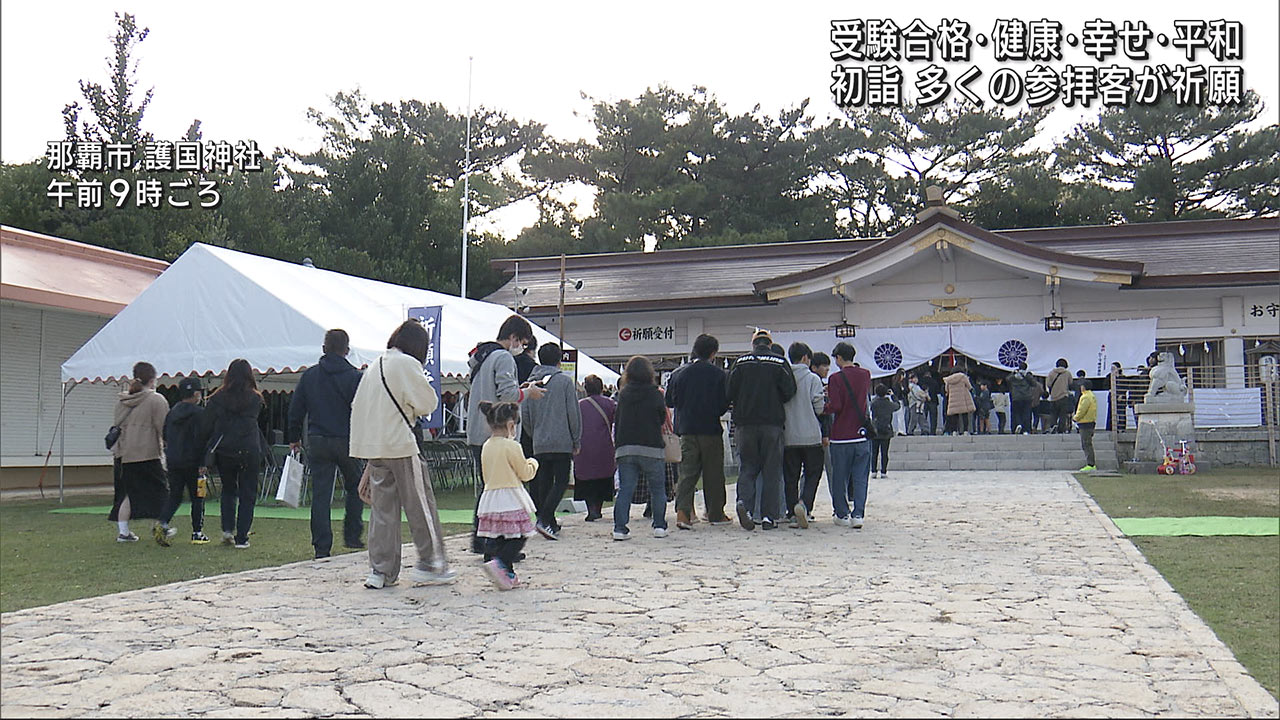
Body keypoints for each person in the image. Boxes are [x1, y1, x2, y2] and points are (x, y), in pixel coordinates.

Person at [351, 320, 456, 589]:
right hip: (400, 444)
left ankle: (380, 570)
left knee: (382, 511)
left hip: (374, 447)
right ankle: (431, 562)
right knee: (420, 504)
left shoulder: (375, 365)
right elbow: (428, 403)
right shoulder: (407, 364)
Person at [466, 316, 546, 553]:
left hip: (478, 431)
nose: (521, 347)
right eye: (521, 341)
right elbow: (508, 393)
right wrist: (527, 392)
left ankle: (482, 541)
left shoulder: (482, 357)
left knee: (488, 490)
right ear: (513, 338)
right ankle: (499, 544)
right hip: (497, 432)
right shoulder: (503, 357)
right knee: (504, 492)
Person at [287, 329, 365, 559]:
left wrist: (294, 437)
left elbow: (296, 409)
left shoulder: (310, 376)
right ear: (347, 351)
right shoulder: (355, 377)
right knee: (355, 487)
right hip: (347, 440)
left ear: (323, 348)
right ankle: (352, 535)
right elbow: (362, 410)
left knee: (321, 494)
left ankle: (322, 546)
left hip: (318, 439)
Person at [727, 329, 797, 531]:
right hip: (772, 424)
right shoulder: (779, 362)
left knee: (747, 468)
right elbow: (789, 391)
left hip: (745, 424)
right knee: (771, 471)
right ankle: (769, 517)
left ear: (753, 344)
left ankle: (745, 506)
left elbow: (729, 391)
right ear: (769, 344)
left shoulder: (740, 363)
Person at [666, 334, 731, 529]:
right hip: (710, 428)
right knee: (713, 474)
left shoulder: (678, 373)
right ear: (713, 353)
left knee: (687, 472)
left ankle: (683, 513)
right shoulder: (719, 375)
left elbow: (669, 401)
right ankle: (715, 513)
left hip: (686, 429)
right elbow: (723, 405)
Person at [201, 359, 268, 548]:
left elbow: (206, 425)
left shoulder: (217, 398)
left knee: (229, 490)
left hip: (225, 449)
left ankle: (227, 530)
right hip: (249, 447)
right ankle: (242, 536)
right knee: (248, 493)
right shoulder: (256, 398)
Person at [522, 342, 582, 540]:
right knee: (562, 480)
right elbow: (573, 412)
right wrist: (576, 438)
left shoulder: (530, 383)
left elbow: (526, 415)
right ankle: (545, 517)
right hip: (561, 439)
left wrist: (534, 433)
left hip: (539, 440)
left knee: (544, 481)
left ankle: (549, 521)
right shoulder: (564, 382)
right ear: (559, 360)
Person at [476, 401, 539, 590]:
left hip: (491, 496)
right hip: (510, 496)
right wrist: (533, 463)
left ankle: (506, 572)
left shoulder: (486, 446)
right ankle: (501, 563)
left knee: (500, 535)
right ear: (511, 424)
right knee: (518, 536)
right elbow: (525, 473)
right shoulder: (512, 446)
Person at [108, 361, 170, 544]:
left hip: (123, 453)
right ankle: (160, 526)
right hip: (147, 453)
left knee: (127, 493)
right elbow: (163, 428)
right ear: (152, 380)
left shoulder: (122, 401)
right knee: (161, 492)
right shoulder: (156, 400)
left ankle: (124, 532)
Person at [612, 355, 669, 540]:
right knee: (657, 489)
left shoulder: (624, 394)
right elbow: (662, 418)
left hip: (626, 447)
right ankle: (659, 526)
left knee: (626, 489)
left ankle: (620, 528)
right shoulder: (655, 393)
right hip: (652, 447)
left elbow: (618, 419)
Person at [155, 376, 208, 545]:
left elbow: (164, 436)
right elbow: (202, 439)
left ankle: (162, 522)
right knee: (198, 497)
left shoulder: (172, 413)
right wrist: (204, 462)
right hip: (194, 461)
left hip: (174, 460)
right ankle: (197, 532)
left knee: (175, 496)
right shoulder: (200, 413)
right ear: (195, 394)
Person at [825, 342, 872, 528]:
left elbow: (836, 406)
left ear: (838, 358)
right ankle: (858, 514)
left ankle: (842, 514)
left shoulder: (835, 378)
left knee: (839, 477)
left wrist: (824, 408)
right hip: (860, 434)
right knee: (860, 477)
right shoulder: (865, 375)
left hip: (840, 436)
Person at [782, 342, 825, 527]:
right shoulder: (812, 379)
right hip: (811, 435)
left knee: (790, 476)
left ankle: (792, 511)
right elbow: (819, 406)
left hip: (789, 435)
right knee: (812, 473)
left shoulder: (783, 377)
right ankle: (805, 505)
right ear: (806, 358)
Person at [575, 375, 616, 522]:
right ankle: (597, 508)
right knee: (602, 477)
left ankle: (591, 509)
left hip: (583, 447)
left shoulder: (578, 405)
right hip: (604, 446)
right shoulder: (610, 404)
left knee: (586, 478)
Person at [810, 352, 834, 494]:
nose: (827, 369)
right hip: (820, 433)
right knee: (830, 469)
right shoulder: (815, 382)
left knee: (809, 472)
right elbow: (822, 411)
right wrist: (826, 433)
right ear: (814, 367)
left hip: (811, 431)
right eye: (824, 366)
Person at [869, 383, 900, 480]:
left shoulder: (874, 403)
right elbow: (897, 406)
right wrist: (893, 396)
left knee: (874, 452)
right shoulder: (888, 404)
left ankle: (873, 471)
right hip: (886, 429)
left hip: (875, 429)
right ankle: (883, 471)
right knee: (884, 452)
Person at [1074, 381, 1098, 472]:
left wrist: (1075, 418)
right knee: (1087, 443)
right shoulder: (1091, 395)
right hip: (1090, 422)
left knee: (1086, 444)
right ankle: (1091, 464)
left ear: (1083, 387)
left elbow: (1081, 410)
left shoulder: (1085, 397)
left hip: (1085, 423)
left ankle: (1090, 464)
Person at [1045, 358, 1073, 434]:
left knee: (1053, 414)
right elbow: (1070, 383)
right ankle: (1061, 429)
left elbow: (1048, 384)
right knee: (1062, 415)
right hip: (1063, 396)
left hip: (1053, 397)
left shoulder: (1051, 373)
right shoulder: (1067, 373)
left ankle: (1053, 426)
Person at [1008, 362, 1037, 435]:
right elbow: (1034, 384)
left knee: (1016, 413)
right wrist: (1027, 376)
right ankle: (1026, 429)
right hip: (1026, 397)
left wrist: (1013, 373)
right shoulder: (1027, 375)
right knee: (1026, 414)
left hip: (1016, 397)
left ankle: (1018, 425)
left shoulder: (1014, 375)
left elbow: (1007, 379)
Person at [943, 369, 975, 435]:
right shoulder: (963, 377)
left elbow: (946, 390)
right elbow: (969, 387)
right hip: (963, 399)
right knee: (965, 415)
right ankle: (965, 431)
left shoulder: (948, 380)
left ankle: (954, 431)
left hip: (953, 400)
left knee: (954, 417)